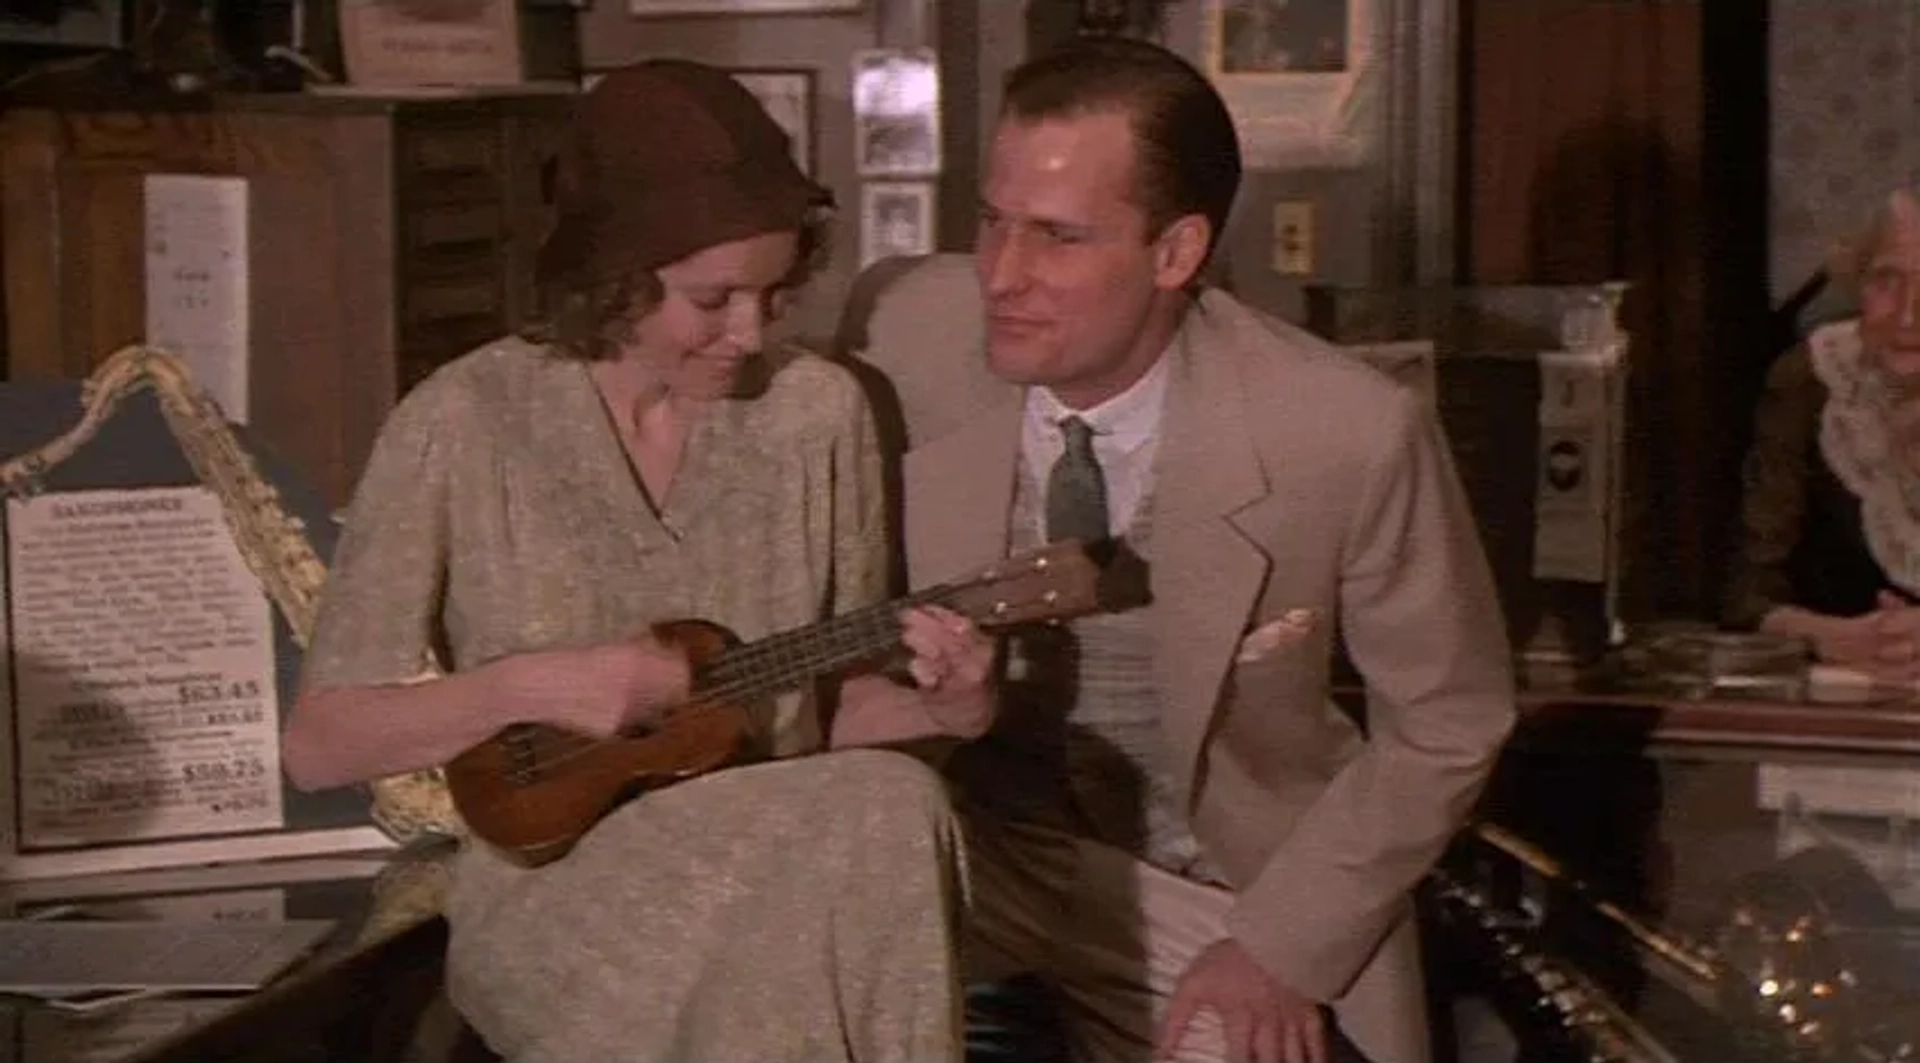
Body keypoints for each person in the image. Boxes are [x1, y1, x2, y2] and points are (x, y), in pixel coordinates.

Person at [281, 59, 997, 1063]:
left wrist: (941, 708)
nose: (748, 334)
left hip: (789, 848)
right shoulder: (465, 419)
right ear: (612, 278)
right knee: (867, 828)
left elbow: (817, 716)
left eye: (776, 294)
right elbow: (322, 744)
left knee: (889, 806)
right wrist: (538, 684)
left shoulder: (819, 415)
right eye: (713, 301)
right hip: (563, 893)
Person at [841, 37, 1516, 1063]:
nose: (1003, 276)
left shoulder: (1343, 430)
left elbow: (1449, 722)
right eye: (992, 222)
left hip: (1222, 888)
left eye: (1060, 237)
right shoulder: (893, 347)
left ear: (1176, 252)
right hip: (974, 856)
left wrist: (1279, 950)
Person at [1725, 187, 1920, 680]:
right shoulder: (1810, 381)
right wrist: (1832, 636)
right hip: (1846, 709)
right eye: (1885, 281)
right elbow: (1748, 594)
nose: (1908, 315)